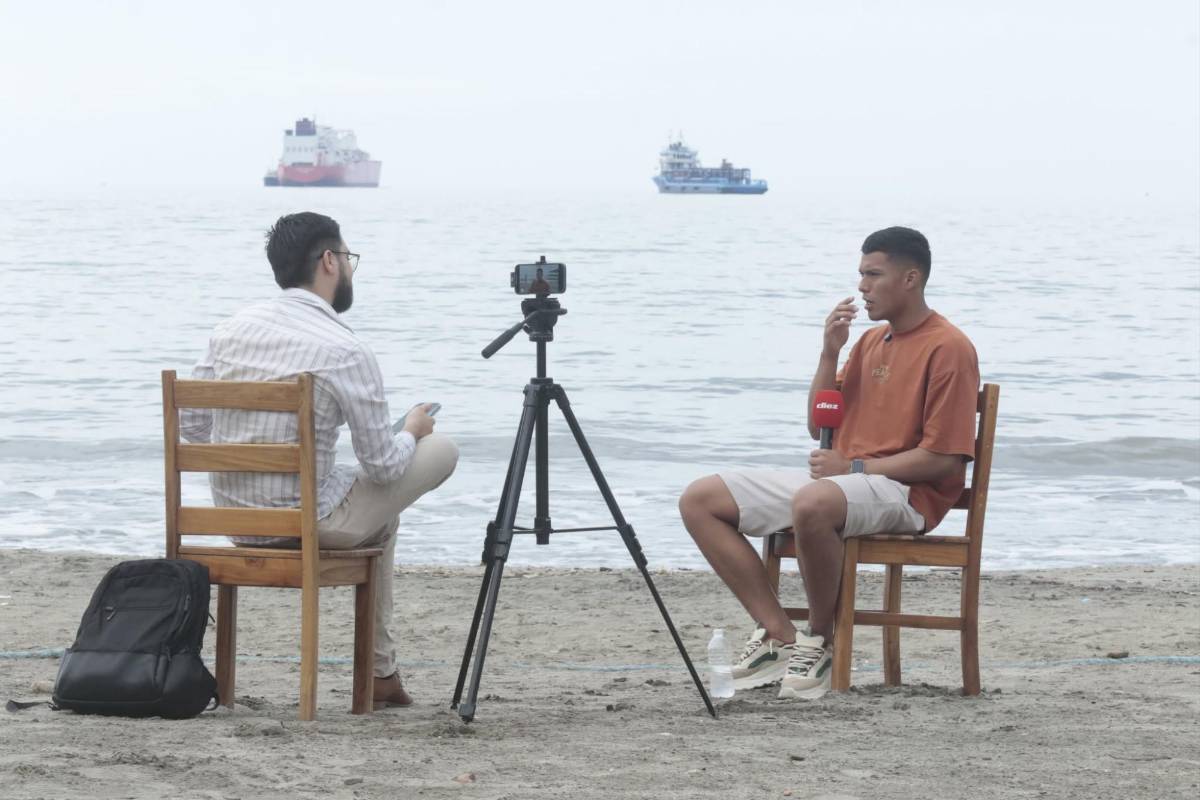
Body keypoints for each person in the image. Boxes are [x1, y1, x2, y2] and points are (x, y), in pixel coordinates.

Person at [678, 227, 979, 700]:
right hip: (846, 481)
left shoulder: (949, 347)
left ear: (910, 278)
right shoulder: (868, 343)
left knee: (815, 501)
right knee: (701, 499)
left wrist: (854, 470)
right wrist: (829, 350)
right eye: (860, 275)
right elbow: (816, 422)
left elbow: (942, 460)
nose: (861, 287)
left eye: (873, 275)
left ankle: (817, 639)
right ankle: (778, 634)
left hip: (905, 493)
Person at [180, 211, 459, 709]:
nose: (349, 268)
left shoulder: (228, 332)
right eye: (348, 258)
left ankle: (383, 674)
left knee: (380, 514)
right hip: (309, 522)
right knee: (440, 449)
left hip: (236, 521)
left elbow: (193, 429)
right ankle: (378, 673)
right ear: (329, 261)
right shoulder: (345, 350)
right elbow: (384, 468)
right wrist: (413, 432)